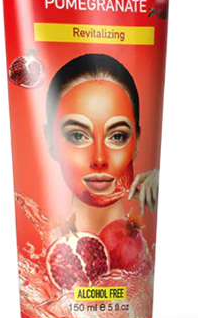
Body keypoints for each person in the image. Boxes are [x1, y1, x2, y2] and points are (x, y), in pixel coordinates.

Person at [42, 53, 159, 234]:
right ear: (50, 141)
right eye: (77, 136)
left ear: (136, 143)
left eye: (117, 136)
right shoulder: (39, 247)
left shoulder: (147, 245)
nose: (99, 159)